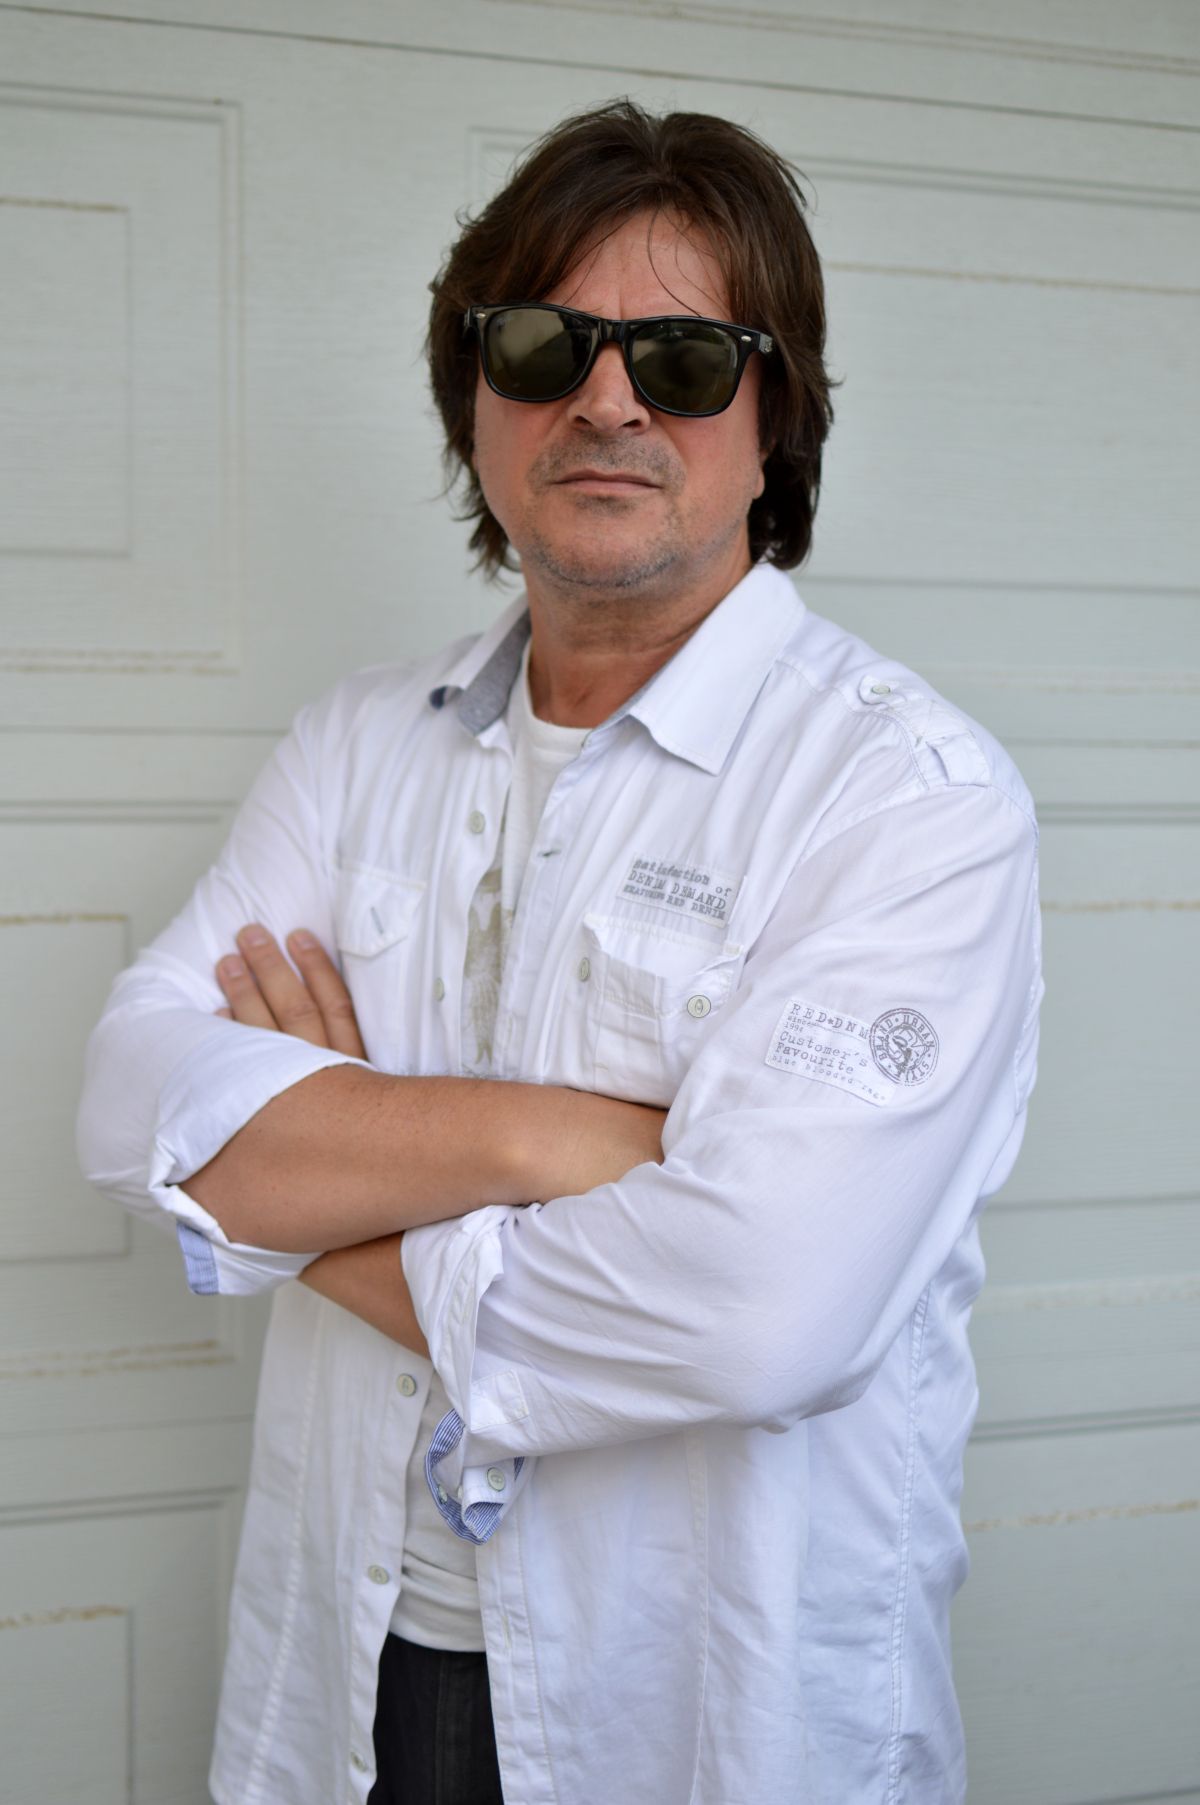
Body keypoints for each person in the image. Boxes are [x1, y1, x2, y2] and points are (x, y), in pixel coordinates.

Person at [78, 98, 1042, 1805]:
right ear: (476, 395)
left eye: (683, 357)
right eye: (542, 343)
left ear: (776, 419)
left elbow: (758, 1309)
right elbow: (130, 1099)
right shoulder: (354, 745)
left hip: (697, 1711)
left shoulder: (908, 799)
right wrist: (556, 1139)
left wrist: (304, 1191)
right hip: (350, 1676)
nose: (606, 400)